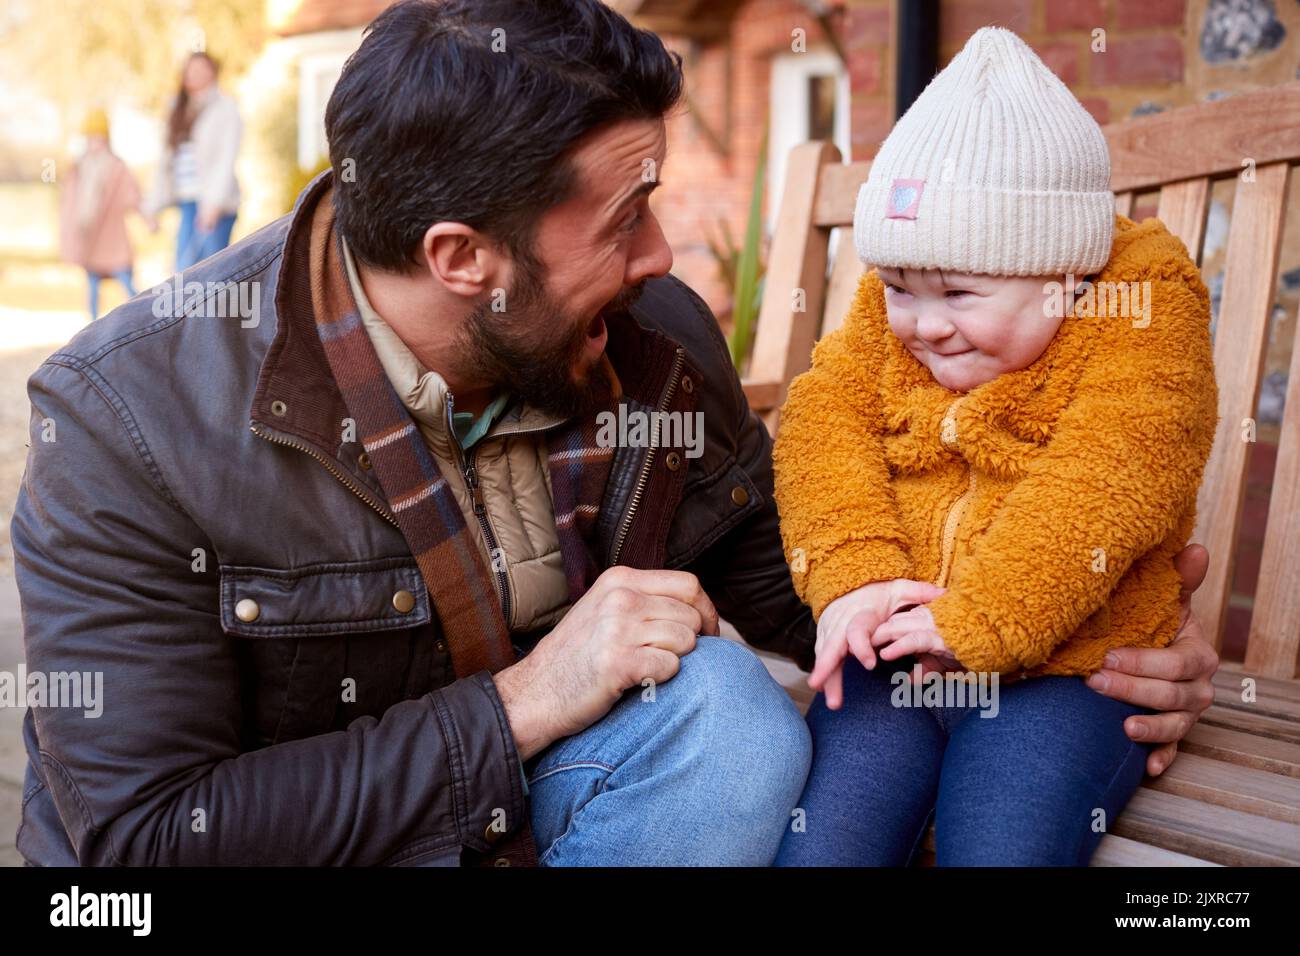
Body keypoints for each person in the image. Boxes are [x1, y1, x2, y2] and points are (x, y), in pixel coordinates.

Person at [12, 1, 1217, 869]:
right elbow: (145, 839)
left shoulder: (653, 338)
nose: (664, 255)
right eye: (629, 213)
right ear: (462, 259)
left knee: (728, 727)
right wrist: (528, 697)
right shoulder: (128, 422)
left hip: (566, 809)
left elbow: (819, 606)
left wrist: (1077, 628)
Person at [772, 27, 1219, 866]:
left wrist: (978, 621)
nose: (923, 322)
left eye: (960, 294)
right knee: (825, 842)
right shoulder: (894, 314)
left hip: (1066, 672)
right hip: (895, 653)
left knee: (1004, 844)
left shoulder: (1140, 314)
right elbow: (821, 430)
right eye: (899, 288)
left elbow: (1110, 479)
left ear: (1066, 276)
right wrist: (854, 582)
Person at [144, 51, 242, 272]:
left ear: (213, 72)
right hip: (187, 200)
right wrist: (152, 207)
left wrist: (214, 204)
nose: (196, 74)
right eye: (191, 70)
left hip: (215, 205)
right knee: (184, 273)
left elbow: (227, 158)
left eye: (201, 69)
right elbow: (165, 163)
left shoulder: (225, 108)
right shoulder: (177, 110)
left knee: (212, 275)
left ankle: (226, 307)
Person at [58, 109, 154, 319]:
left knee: (127, 283)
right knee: (92, 288)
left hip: (113, 238)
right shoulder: (78, 169)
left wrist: (149, 220)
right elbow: (70, 207)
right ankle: (91, 330)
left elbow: (135, 197)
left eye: (99, 138)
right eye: (91, 138)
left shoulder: (116, 168)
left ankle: (144, 318)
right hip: (91, 239)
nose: (95, 143)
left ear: (106, 139)